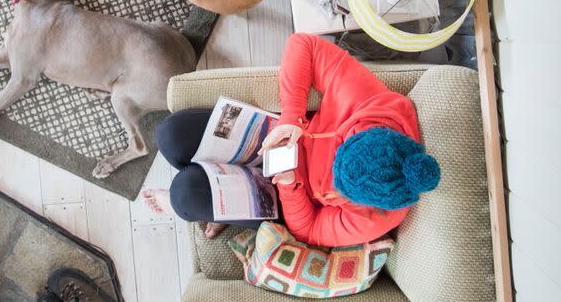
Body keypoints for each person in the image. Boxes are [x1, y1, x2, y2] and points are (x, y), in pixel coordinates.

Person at [142, 33, 440, 245]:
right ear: (358, 132)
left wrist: (290, 186)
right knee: (170, 134)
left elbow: (309, 231)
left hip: (286, 198)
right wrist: (291, 118)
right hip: (279, 135)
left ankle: (213, 206)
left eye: (339, 189)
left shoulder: (376, 218)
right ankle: (218, 204)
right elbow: (304, 44)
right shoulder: (368, 104)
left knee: (184, 194)